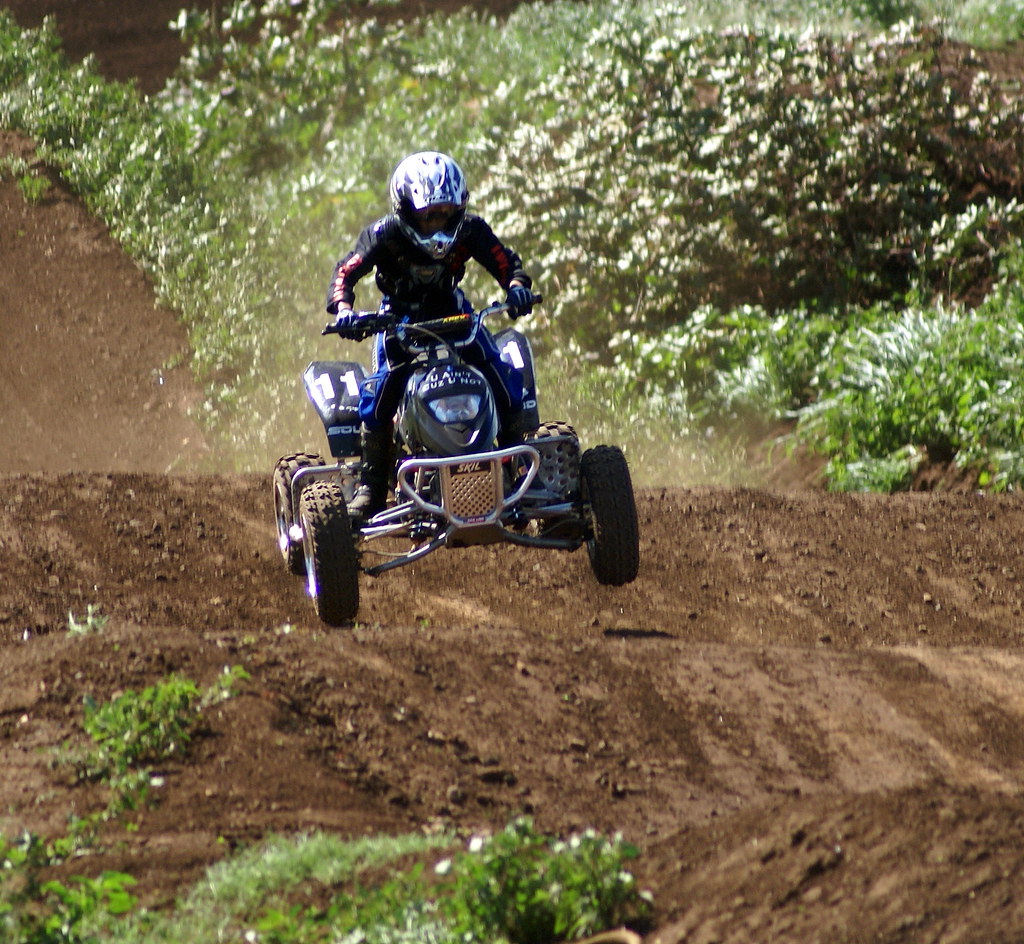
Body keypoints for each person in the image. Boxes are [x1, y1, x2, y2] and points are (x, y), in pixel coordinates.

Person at [325, 150, 537, 522]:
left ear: (458, 209)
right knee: (380, 396)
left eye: (444, 213)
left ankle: (520, 466)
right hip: (397, 320)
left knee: (504, 377)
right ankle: (373, 487)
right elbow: (345, 272)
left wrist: (517, 287)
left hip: (454, 312)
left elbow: (505, 262)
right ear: (405, 210)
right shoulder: (383, 234)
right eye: (427, 215)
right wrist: (344, 311)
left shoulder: (471, 230)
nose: (436, 223)